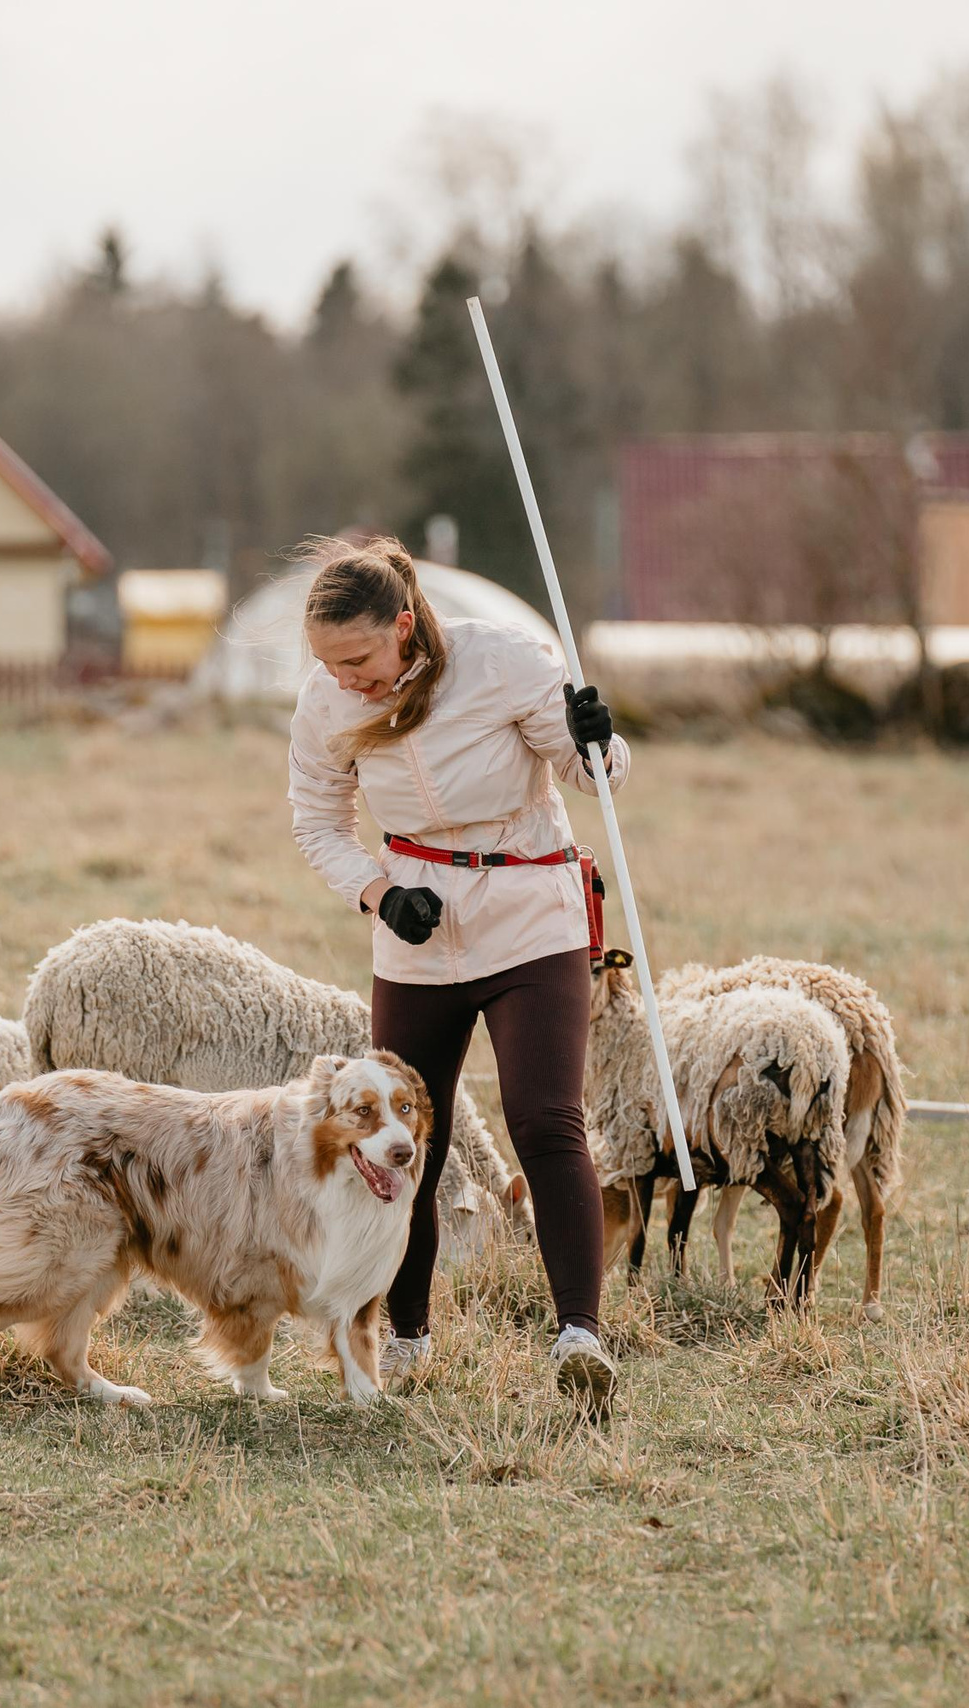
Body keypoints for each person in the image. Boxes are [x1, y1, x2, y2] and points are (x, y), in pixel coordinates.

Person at [286, 535, 625, 1413]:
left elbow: (591, 777)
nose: (343, 679)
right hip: (418, 930)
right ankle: (406, 1337)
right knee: (400, 1146)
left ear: (404, 626)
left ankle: (579, 1336)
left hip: (530, 912)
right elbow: (317, 823)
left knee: (545, 1119)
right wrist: (377, 893)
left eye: (357, 658)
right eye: (326, 663)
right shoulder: (325, 701)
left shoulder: (504, 661)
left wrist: (601, 743)